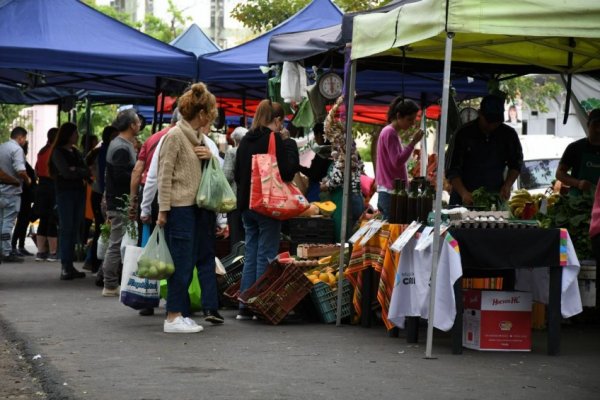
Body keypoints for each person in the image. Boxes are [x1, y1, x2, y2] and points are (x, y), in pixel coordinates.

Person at [157, 82, 223, 333]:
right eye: (211, 111)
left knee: (187, 262)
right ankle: (173, 317)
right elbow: (164, 175)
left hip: (195, 209)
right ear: (202, 114)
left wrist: (210, 158)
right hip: (181, 209)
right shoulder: (174, 136)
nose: (213, 115)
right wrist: (163, 211)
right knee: (182, 264)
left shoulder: (198, 139)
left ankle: (179, 314)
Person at [234, 100, 299, 320]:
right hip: (267, 204)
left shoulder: (244, 140)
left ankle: (245, 303)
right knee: (267, 253)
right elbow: (288, 172)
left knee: (251, 252)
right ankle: (260, 304)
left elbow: (236, 174)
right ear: (276, 119)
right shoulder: (273, 138)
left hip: (245, 204)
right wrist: (291, 147)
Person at [446, 94, 524, 206]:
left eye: (496, 122)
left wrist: (507, 185)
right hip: (462, 201)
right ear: (479, 113)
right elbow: (451, 169)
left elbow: (516, 164)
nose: (491, 126)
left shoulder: (508, 135)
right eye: (488, 121)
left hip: (494, 200)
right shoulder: (463, 134)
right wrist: (464, 193)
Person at [101, 109, 140, 297]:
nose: (140, 125)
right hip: (119, 202)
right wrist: (137, 175)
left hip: (119, 200)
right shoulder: (121, 147)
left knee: (116, 242)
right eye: (138, 122)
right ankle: (109, 284)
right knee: (116, 243)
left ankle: (110, 280)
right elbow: (120, 176)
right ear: (132, 125)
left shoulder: (123, 144)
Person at [49, 122, 89, 280]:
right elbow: (66, 173)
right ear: (68, 135)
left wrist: (76, 170)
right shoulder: (58, 152)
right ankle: (65, 265)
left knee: (74, 228)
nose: (77, 136)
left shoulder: (76, 152)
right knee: (67, 228)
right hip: (65, 193)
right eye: (75, 133)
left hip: (78, 192)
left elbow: (86, 171)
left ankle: (69, 264)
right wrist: (78, 171)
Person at [375, 98, 425, 219]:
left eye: (413, 120)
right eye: (409, 119)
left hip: (391, 193)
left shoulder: (392, 133)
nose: (412, 124)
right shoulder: (390, 132)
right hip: (390, 193)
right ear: (398, 116)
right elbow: (397, 161)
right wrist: (413, 142)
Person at [83, 126, 118, 273]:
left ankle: (94, 261)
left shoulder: (100, 151)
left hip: (99, 192)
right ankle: (95, 262)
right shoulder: (105, 151)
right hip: (102, 194)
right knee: (102, 228)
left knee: (101, 227)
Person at [0, 127, 31, 263]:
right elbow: (20, 171)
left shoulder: (2, 147)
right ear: (21, 138)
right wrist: (27, 179)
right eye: (24, 139)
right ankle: (6, 252)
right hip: (12, 192)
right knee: (8, 222)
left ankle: (1, 249)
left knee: (1, 221)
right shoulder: (17, 150)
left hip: (1, 190)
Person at [556, 108, 600, 196]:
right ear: (588, 125)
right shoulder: (575, 147)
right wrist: (578, 183)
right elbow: (559, 173)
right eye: (595, 125)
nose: (598, 130)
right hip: (578, 201)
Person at [33, 128, 59, 262]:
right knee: (52, 219)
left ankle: (41, 251)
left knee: (43, 219)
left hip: (41, 187)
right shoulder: (55, 152)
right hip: (52, 187)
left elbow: (36, 170)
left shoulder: (42, 151)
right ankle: (53, 252)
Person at [223, 126, 248, 245]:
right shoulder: (250, 152)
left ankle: (237, 259)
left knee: (236, 234)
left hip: (234, 197)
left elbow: (227, 175)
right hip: (248, 198)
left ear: (235, 140)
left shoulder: (232, 152)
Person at [11, 140, 36, 257]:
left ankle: (20, 245)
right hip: (23, 194)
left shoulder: (22, 161)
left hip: (26, 194)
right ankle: (14, 245)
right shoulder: (20, 162)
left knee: (24, 220)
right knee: (21, 220)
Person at [299, 123, 332, 202]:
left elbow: (314, 174)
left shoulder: (324, 152)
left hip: (318, 189)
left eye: (315, 136)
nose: (315, 139)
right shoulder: (331, 150)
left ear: (319, 135)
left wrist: (298, 167)